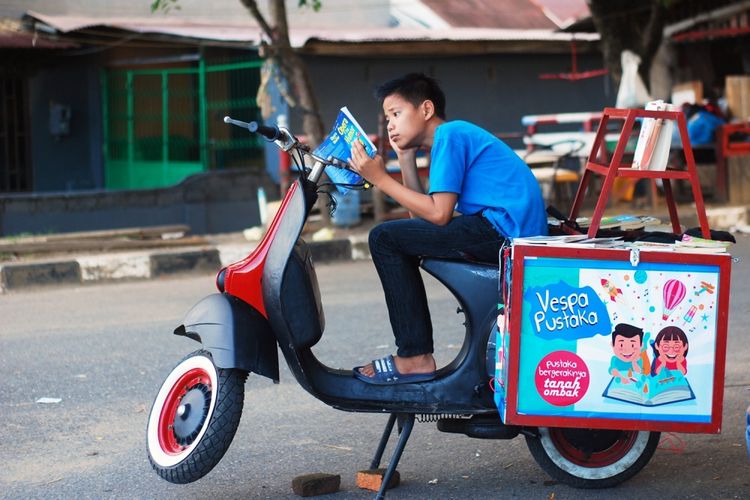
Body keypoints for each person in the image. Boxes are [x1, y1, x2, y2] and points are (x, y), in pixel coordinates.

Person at [348, 73, 547, 385]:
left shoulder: (450, 135)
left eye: (396, 114)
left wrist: (380, 178)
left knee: (383, 237)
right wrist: (404, 160)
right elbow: (421, 222)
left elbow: (438, 215)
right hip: (498, 228)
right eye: (387, 118)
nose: (389, 125)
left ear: (426, 110)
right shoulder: (447, 140)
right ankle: (415, 355)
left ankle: (415, 356)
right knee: (394, 238)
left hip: (504, 232)